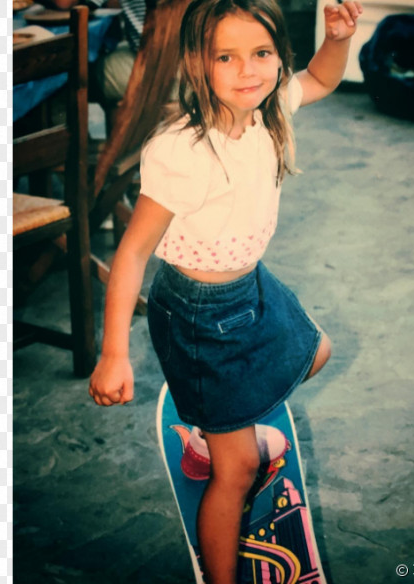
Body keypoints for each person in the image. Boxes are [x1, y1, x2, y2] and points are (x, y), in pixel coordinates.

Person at [88, 0, 363, 582]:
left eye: (261, 54)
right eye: (227, 57)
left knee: (317, 352)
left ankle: (215, 428)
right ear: (197, 63)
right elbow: (133, 251)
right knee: (236, 472)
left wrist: (338, 38)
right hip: (199, 313)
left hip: (251, 286)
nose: (248, 71)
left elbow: (320, 78)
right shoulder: (183, 150)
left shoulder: (269, 110)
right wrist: (113, 353)